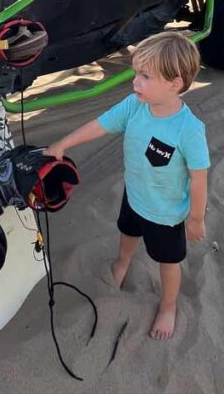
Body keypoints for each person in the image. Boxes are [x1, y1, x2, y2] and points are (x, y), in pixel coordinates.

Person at [46, 31, 209, 340]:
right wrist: (64, 143)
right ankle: (123, 263)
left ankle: (169, 305)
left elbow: (199, 177)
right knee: (128, 233)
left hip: (167, 214)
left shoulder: (189, 129)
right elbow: (100, 124)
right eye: (137, 73)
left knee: (168, 262)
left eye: (145, 76)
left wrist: (196, 218)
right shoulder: (134, 106)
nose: (135, 82)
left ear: (175, 84)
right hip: (134, 197)